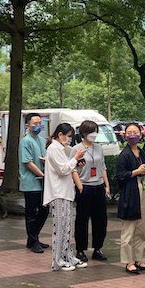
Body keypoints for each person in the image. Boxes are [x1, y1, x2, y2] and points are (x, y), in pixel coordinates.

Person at [43, 123, 88, 272]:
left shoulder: (59, 149)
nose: (69, 140)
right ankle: (57, 260)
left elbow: (66, 167)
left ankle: (67, 256)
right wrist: (75, 158)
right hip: (58, 193)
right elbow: (63, 169)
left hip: (65, 193)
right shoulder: (53, 148)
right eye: (68, 136)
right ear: (60, 135)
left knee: (67, 227)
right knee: (60, 227)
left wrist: (76, 164)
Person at [116, 123, 145, 275]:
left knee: (141, 228)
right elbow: (120, 176)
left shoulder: (141, 152)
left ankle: (138, 259)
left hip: (143, 188)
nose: (132, 135)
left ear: (140, 134)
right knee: (129, 229)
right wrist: (135, 172)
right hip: (131, 193)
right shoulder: (124, 155)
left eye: (135, 132)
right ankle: (128, 261)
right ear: (125, 135)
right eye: (129, 132)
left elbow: (143, 170)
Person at [73, 120, 110, 263]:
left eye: (95, 131)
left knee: (100, 219)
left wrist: (107, 185)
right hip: (85, 186)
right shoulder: (76, 149)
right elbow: (73, 169)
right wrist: (79, 186)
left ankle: (97, 248)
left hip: (99, 186)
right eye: (90, 131)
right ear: (83, 133)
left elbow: (103, 167)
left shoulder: (99, 148)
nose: (93, 134)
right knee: (82, 219)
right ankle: (80, 250)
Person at [20, 113, 50, 254]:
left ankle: (33, 238)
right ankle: (33, 241)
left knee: (44, 210)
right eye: (35, 123)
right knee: (31, 214)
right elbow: (27, 162)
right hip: (31, 183)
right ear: (27, 125)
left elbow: (44, 158)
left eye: (40, 123)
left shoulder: (41, 140)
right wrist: (42, 174)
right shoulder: (25, 141)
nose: (38, 126)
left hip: (42, 183)